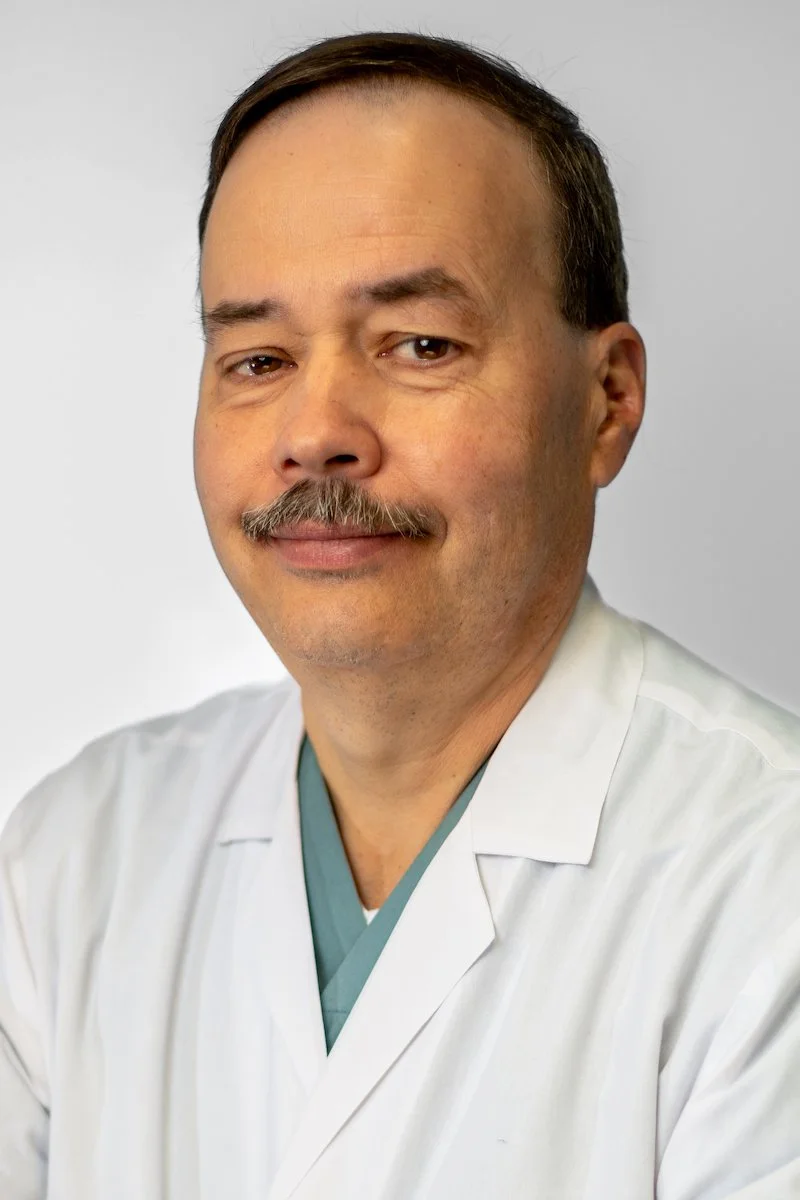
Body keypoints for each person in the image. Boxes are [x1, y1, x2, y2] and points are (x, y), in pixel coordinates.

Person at [1, 29, 798, 1200]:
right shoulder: (75, 857)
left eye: (419, 344)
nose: (314, 430)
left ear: (606, 401)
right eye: (257, 357)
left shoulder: (767, 890)